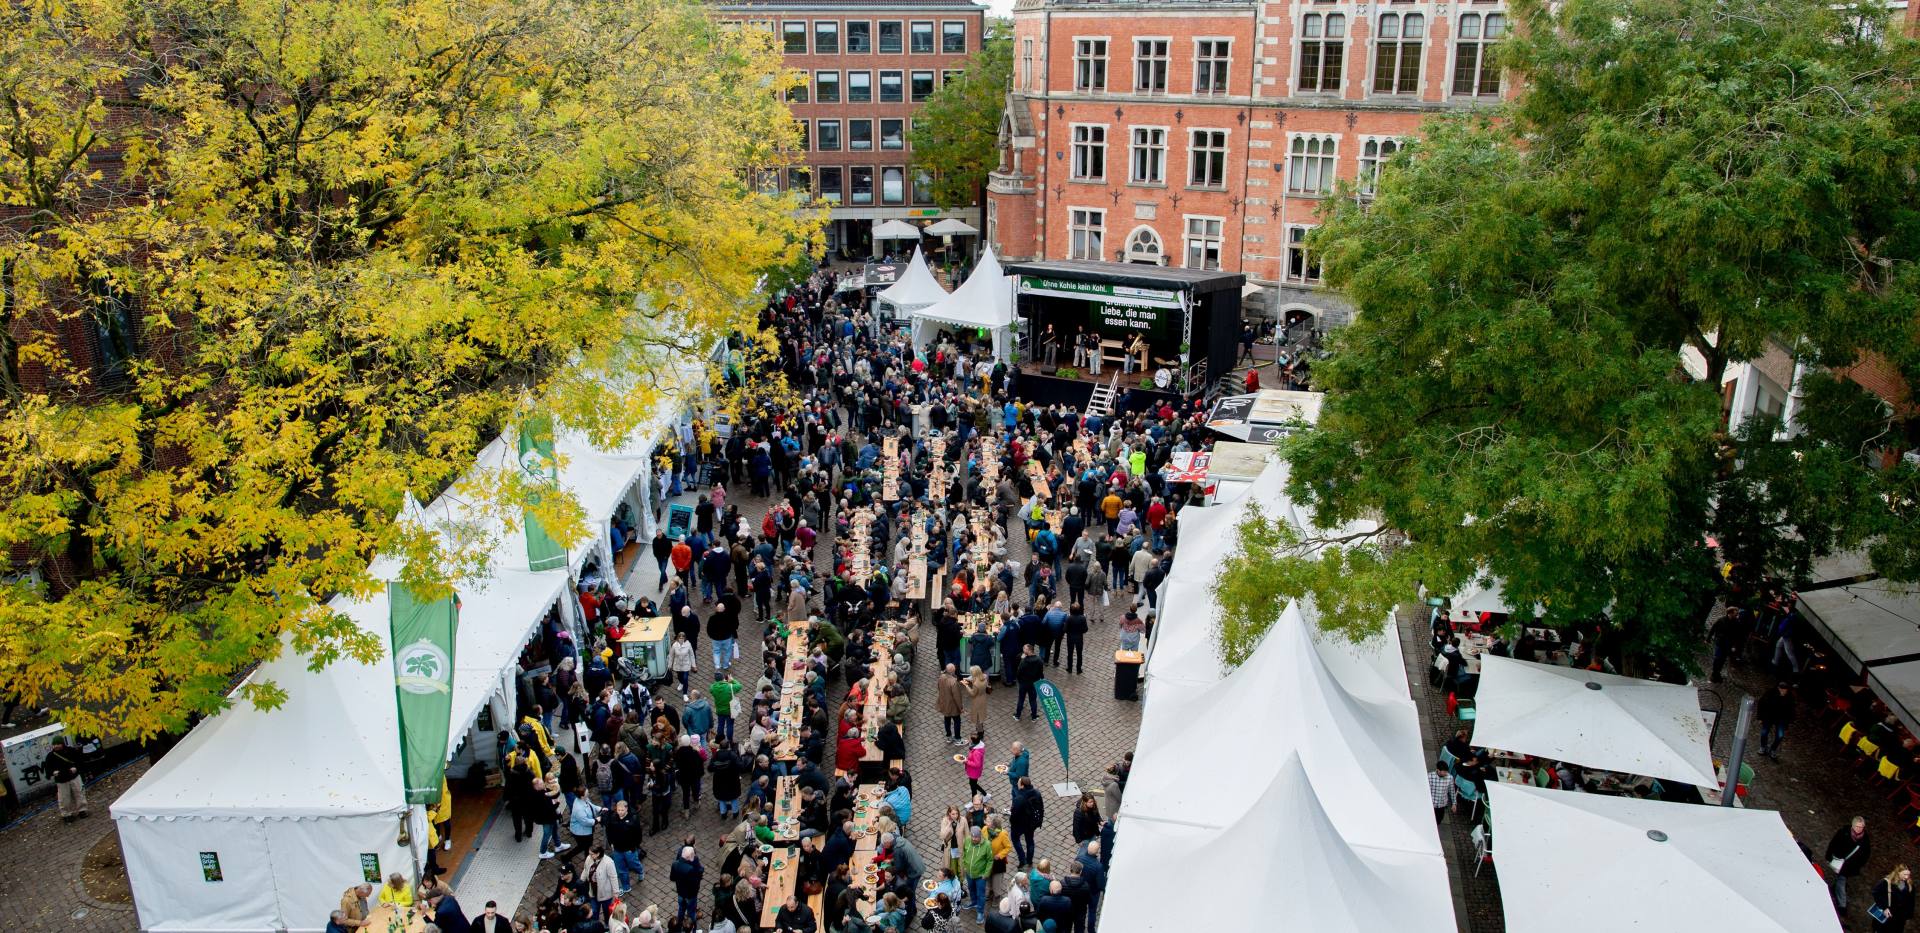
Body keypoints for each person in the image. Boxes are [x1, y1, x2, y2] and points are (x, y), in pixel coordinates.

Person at [1827, 816, 1873, 914]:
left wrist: (1858, 865)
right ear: (1852, 825)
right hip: (1840, 860)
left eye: (1861, 827)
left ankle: (1842, 905)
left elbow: (1866, 855)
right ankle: (1840, 899)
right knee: (1841, 879)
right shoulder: (1843, 832)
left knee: (1841, 880)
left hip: (1849, 866)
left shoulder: (1865, 841)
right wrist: (1829, 855)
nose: (1859, 829)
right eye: (1857, 826)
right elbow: (1833, 843)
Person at [42, 736, 87, 821]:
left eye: (58, 744)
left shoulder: (71, 751)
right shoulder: (50, 756)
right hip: (61, 780)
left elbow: (79, 761)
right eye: (54, 744)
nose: (56, 746)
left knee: (79, 793)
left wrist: (76, 768)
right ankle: (66, 814)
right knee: (64, 798)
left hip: (74, 777)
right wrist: (53, 773)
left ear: (62, 744)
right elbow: (48, 769)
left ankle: (82, 810)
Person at [961, 825, 994, 925]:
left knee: (981, 894)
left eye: (976, 837)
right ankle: (973, 902)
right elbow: (964, 853)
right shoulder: (967, 840)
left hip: (980, 876)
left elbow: (990, 860)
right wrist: (965, 865)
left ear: (980, 836)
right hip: (969, 873)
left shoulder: (987, 845)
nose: (974, 839)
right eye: (972, 836)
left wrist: (986, 873)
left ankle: (980, 912)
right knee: (971, 889)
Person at [1009, 776, 1044, 870]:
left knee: (1015, 839)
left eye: (1019, 782)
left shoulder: (1019, 798)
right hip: (1031, 824)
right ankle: (1029, 860)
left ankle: (1022, 859)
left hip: (1020, 825)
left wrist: (1012, 823)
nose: (1017, 783)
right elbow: (1041, 807)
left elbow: (1014, 815)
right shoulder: (1037, 793)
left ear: (1022, 786)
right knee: (1030, 841)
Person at [1756, 681, 1794, 760]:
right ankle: (1763, 747)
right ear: (1778, 688)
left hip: (1781, 719)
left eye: (1785, 690)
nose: (1783, 691)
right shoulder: (1770, 693)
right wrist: (1760, 717)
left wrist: (1787, 722)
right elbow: (1761, 704)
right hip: (1769, 716)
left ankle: (1773, 749)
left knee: (1780, 735)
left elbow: (1791, 711)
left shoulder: (1790, 698)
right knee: (1764, 732)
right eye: (1782, 689)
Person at [670, 845, 704, 928]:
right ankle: (692, 928)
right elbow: (697, 880)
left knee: (681, 909)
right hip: (690, 895)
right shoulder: (691, 869)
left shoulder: (674, 864)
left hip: (680, 893)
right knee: (691, 912)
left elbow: (672, 878)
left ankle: (679, 925)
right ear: (690, 857)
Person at [1874, 864, 1915, 933]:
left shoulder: (1910, 886)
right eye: (1905, 874)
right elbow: (1876, 893)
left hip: (1899, 921)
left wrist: (1907, 915)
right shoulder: (1887, 882)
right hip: (1886, 917)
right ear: (1898, 872)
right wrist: (1884, 907)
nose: (1907, 877)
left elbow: (1911, 902)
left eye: (1908, 875)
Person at [1013, 645, 1044, 721]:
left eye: (1025, 649)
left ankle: (1017, 716)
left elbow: (1018, 672)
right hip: (1034, 683)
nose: (1023, 650)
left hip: (1024, 683)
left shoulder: (1024, 661)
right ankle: (1034, 716)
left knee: (1021, 699)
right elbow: (1041, 672)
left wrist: (1019, 680)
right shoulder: (1039, 660)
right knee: (1033, 700)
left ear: (1030, 650)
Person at [937, 664, 966, 745]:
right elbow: (957, 697)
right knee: (957, 721)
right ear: (953, 671)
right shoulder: (953, 682)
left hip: (944, 703)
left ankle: (949, 737)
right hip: (953, 706)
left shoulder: (941, 677)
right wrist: (961, 707)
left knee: (947, 720)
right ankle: (957, 739)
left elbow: (939, 687)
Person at [964, 732, 988, 798]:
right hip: (973, 771)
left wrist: (966, 762)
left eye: (969, 738)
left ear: (972, 741)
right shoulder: (975, 746)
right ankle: (985, 794)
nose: (968, 739)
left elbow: (977, 764)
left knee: (973, 787)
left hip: (974, 772)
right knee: (973, 784)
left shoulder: (976, 752)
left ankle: (974, 800)